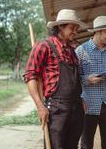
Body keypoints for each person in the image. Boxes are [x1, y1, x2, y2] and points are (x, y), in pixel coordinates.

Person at [23, 9, 88, 149]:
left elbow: (74, 81)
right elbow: (30, 76)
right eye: (72, 28)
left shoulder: (72, 51)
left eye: (76, 28)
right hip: (56, 109)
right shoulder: (44, 46)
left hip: (76, 108)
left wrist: (80, 99)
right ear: (60, 27)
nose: (75, 32)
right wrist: (40, 106)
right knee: (55, 146)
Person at [75, 15, 106, 149]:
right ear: (98, 32)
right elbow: (73, 78)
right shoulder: (81, 51)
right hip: (87, 105)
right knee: (86, 144)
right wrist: (87, 79)